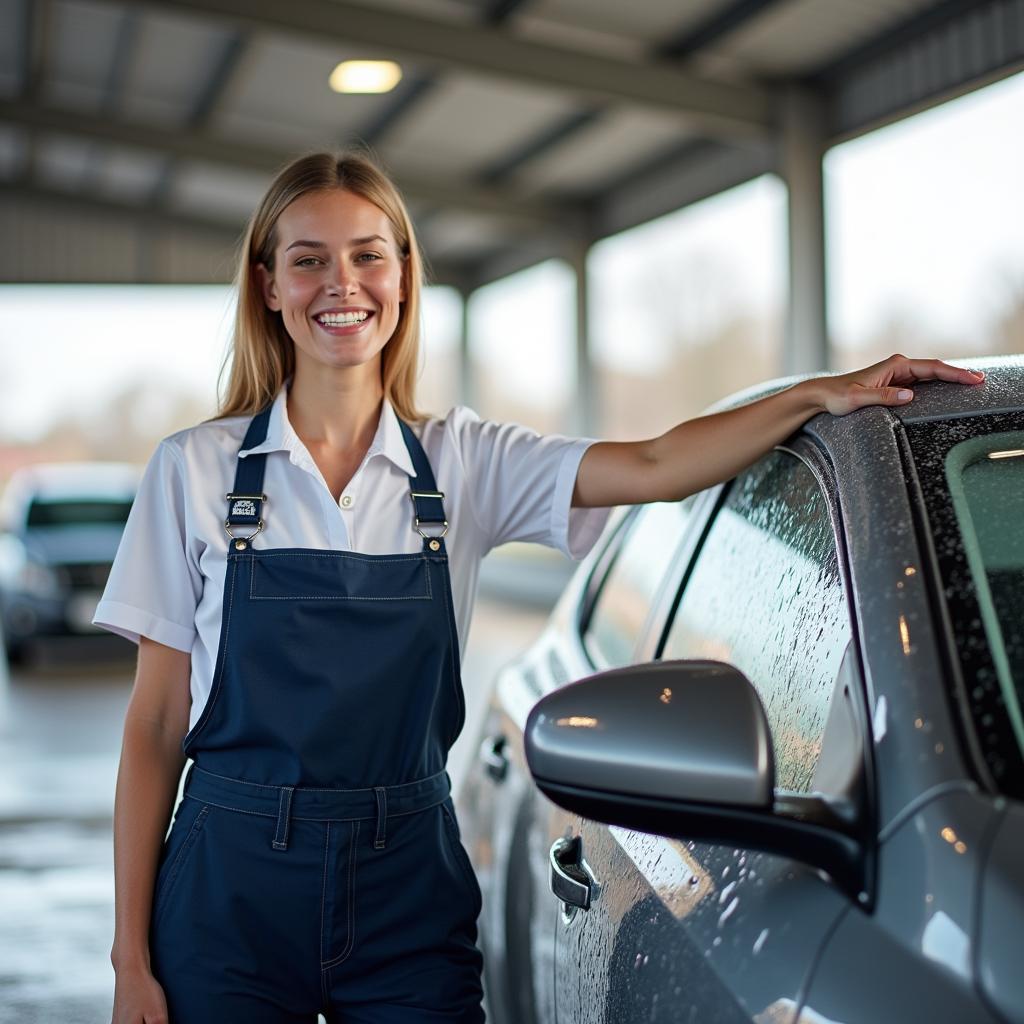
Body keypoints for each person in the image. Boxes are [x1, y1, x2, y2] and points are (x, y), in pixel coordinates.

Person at [97, 150, 984, 1024]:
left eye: (369, 254)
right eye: (309, 259)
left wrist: (818, 397)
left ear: (404, 276)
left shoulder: (463, 461)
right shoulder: (194, 473)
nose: (343, 282)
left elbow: (657, 462)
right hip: (230, 886)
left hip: (406, 877)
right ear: (268, 285)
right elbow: (155, 726)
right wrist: (130, 960)